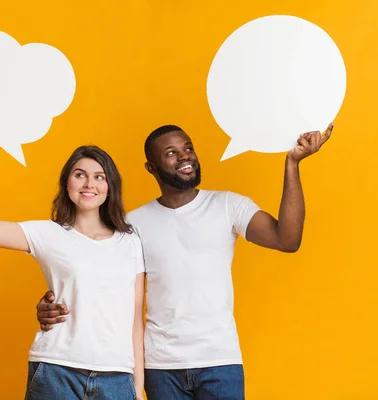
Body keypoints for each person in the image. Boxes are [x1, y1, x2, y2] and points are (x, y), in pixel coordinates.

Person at [36, 123, 333, 399]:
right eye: (171, 153)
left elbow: (287, 240)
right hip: (160, 367)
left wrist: (292, 164)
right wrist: (53, 304)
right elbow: (95, 277)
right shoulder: (133, 224)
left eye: (188, 148)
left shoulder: (228, 205)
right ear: (151, 167)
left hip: (220, 361)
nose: (184, 157)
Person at [0, 126, 146, 400]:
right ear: (67, 183)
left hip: (116, 376)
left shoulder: (130, 241)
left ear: (110, 186)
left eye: (99, 177)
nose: (90, 184)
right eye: (80, 175)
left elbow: (135, 317)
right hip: (57, 371)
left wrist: (137, 386)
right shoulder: (47, 233)